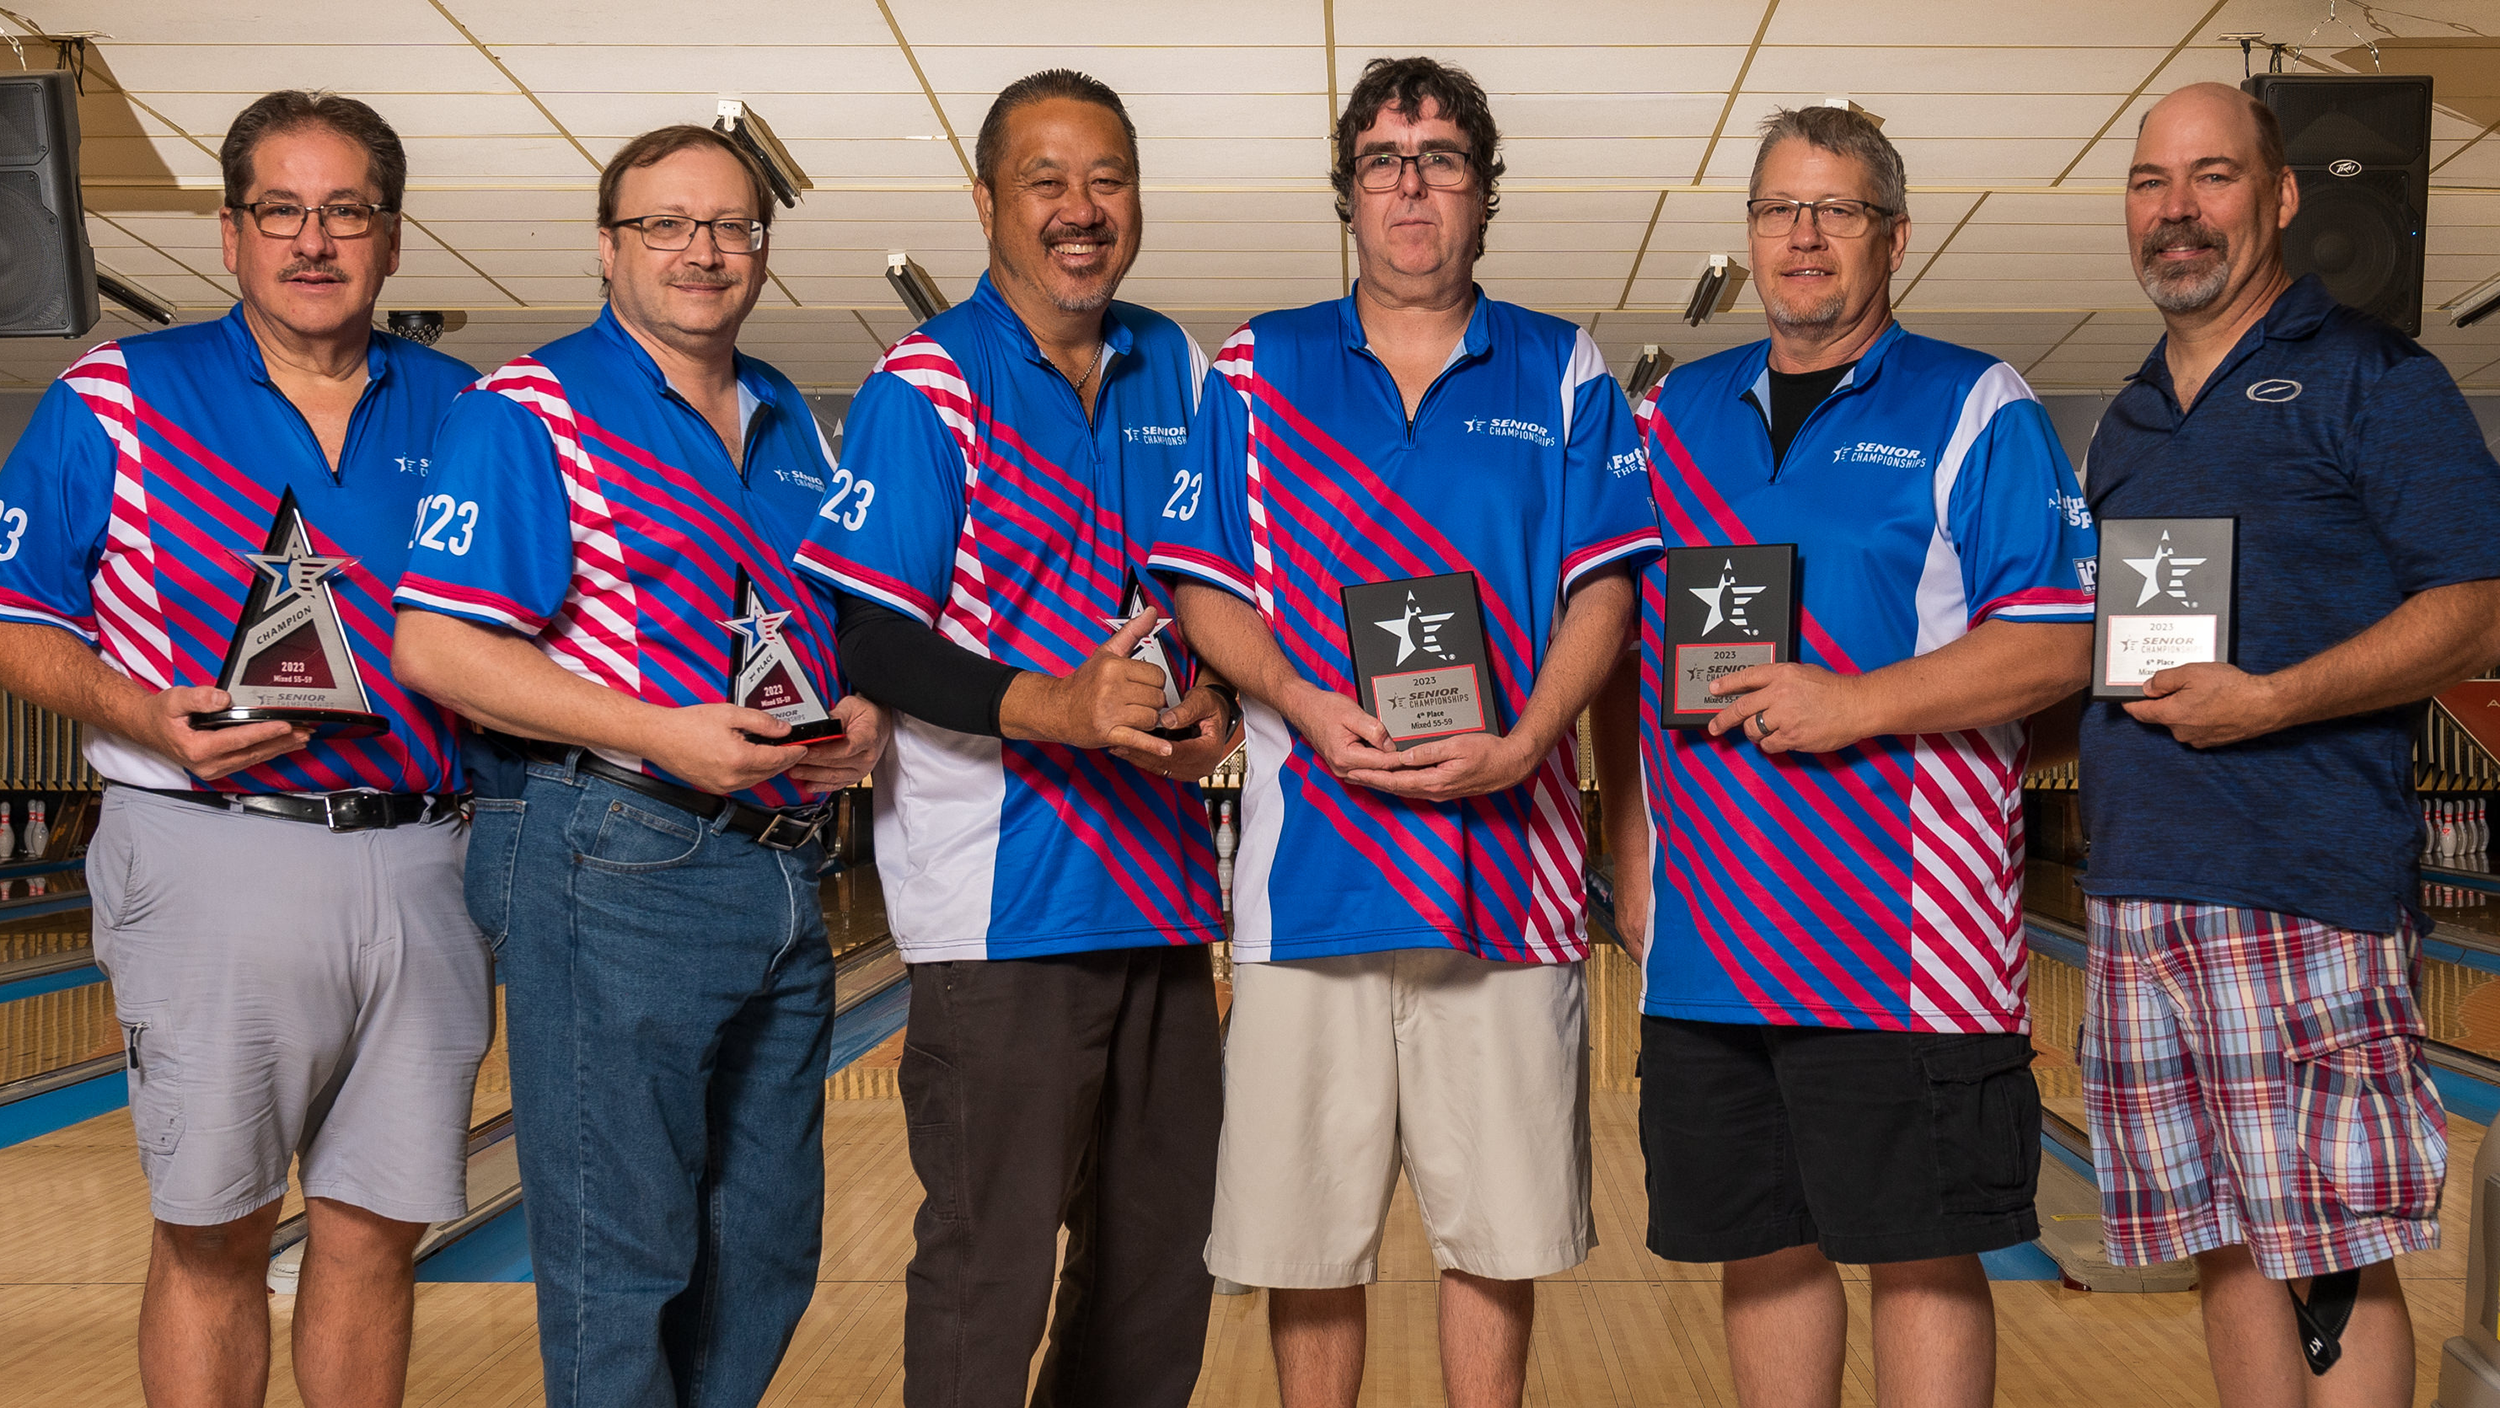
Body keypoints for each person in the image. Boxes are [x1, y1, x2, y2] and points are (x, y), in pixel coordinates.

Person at [1153, 56, 1656, 1408]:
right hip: (1306, 878)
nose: (1411, 183)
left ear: (1485, 195)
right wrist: (1310, 708)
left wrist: (1531, 740)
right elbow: (1198, 584)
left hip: (1509, 872)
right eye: (1383, 159)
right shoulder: (1257, 367)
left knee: (1494, 1239)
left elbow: (1603, 588)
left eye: (1440, 158)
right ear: (1349, 196)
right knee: (1306, 1242)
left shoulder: (1562, 367)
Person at [1589, 104, 2098, 1408]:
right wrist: (1627, 842)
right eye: (1777, 209)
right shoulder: (1672, 415)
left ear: (1894, 237)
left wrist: (1856, 704)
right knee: (1761, 1248)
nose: (1802, 236)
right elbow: (1617, 641)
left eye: (1837, 211)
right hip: (1708, 946)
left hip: (1899, 945)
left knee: (1920, 1255)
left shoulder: (1976, 406)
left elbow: (2053, 645)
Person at [0, 91, 486, 1408]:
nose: (312, 241)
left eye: (346, 214)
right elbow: (15, 616)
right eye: (282, 211)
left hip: (425, 868)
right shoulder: (119, 396)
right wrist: (136, 711)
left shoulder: (474, 409)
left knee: (377, 1235)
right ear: (231, 234)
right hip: (209, 856)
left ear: (389, 240)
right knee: (213, 1233)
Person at [388, 126, 883, 1408]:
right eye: (665, 224)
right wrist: (665, 728)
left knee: (765, 1249)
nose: (701, 250)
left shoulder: (786, 417)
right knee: (627, 1257)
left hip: (781, 870)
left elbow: (828, 621)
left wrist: (861, 712)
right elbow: (436, 642)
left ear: (761, 250)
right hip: (615, 850)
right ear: (609, 248)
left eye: (729, 226)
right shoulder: (532, 410)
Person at [792, 69, 1235, 1408]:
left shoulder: (1184, 365)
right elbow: (871, 636)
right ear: (988, 203)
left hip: (1161, 896)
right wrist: (1059, 706)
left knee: (1163, 1263)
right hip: (1001, 901)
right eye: (1046, 182)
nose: (1080, 209)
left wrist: (1206, 693)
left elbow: (1209, 596)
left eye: (1106, 179)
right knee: (995, 1268)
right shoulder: (925, 385)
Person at [2076, 82, 2500, 1408]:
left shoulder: (2374, 376)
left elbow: (2475, 605)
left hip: (2299, 884)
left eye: (2211, 178)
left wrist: (2274, 700)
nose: (2178, 212)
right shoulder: (2130, 416)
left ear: (2280, 197)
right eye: (2152, 184)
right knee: (2222, 1238)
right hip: (2141, 886)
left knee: (2333, 1249)